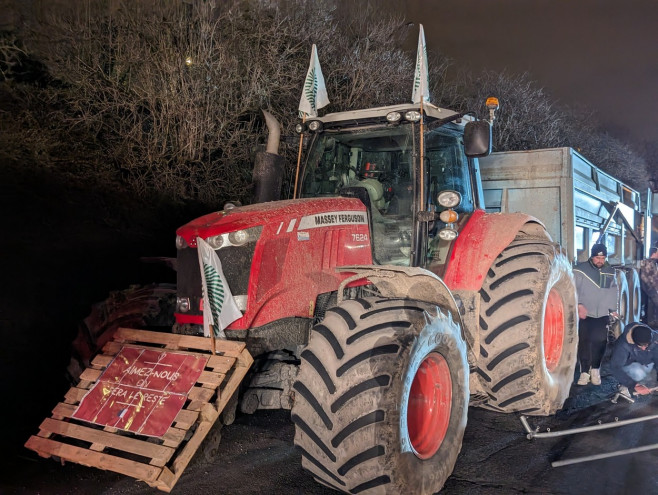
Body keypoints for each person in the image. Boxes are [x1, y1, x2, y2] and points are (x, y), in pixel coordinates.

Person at [572, 243, 619, 386]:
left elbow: (613, 290)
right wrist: (578, 304)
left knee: (600, 341)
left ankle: (596, 370)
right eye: (598, 257)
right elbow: (573, 289)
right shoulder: (580, 270)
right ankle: (584, 372)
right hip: (585, 313)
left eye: (603, 258)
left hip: (602, 314)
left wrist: (613, 309)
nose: (600, 261)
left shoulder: (610, 271)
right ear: (592, 257)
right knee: (584, 342)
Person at [609, 322, 658, 398]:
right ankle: (624, 385)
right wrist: (634, 385)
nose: (644, 348)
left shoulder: (654, 336)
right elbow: (616, 367)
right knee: (638, 373)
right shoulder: (622, 345)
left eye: (647, 345)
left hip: (647, 363)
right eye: (640, 346)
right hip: (632, 365)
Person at [639, 243, 658, 327]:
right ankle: (651, 323)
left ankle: (651, 322)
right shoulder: (649, 263)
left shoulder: (651, 263)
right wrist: (654, 287)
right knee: (652, 306)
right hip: (650, 288)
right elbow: (648, 277)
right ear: (653, 253)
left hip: (650, 288)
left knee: (651, 306)